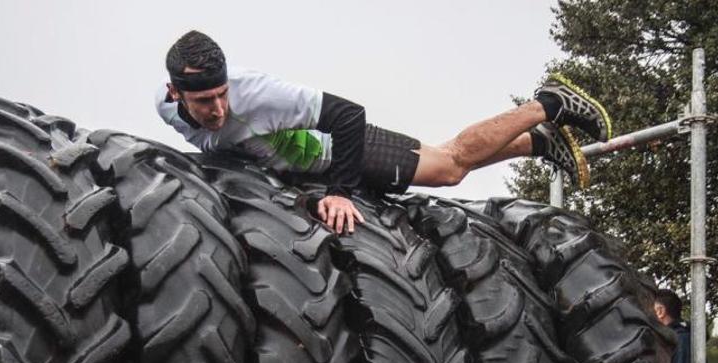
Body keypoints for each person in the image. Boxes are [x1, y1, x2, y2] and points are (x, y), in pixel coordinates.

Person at [156, 30, 612, 234]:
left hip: (338, 152)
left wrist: (340, 192)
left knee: (450, 166)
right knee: (447, 158)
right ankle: (539, 142)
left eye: (222, 95)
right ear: (177, 94)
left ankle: (547, 105)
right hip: (292, 171)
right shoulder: (165, 109)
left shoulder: (259, 94)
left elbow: (349, 115)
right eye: (204, 102)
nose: (218, 109)